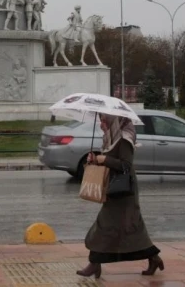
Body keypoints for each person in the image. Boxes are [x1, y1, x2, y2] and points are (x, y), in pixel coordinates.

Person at [77, 113, 164, 279]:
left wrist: (104, 159)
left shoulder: (124, 138)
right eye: (100, 120)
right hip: (114, 188)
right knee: (132, 229)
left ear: (114, 120)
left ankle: (94, 264)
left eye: (104, 120)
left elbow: (125, 165)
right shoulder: (111, 138)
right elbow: (109, 159)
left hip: (123, 191)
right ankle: (153, 258)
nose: (101, 124)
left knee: (104, 226)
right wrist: (95, 159)